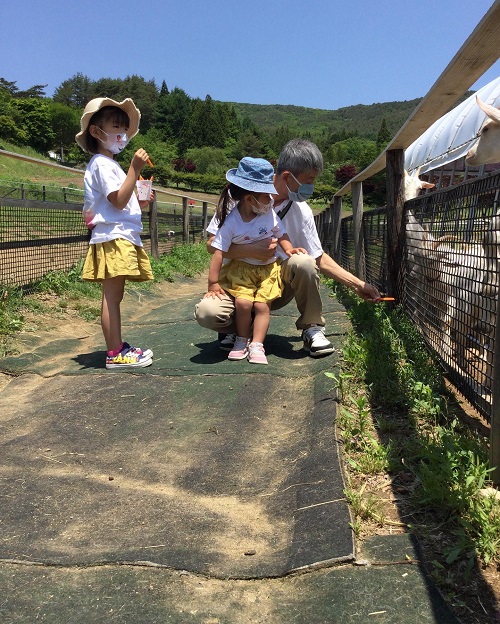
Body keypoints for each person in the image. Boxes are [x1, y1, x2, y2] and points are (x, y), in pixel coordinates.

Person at [195, 139, 381, 356]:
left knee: (304, 261)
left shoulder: (301, 211)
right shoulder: (236, 198)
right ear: (286, 177)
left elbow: (317, 257)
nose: (311, 186)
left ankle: (312, 328)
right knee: (207, 313)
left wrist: (357, 285)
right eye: (309, 180)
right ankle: (237, 328)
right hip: (237, 279)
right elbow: (211, 244)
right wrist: (250, 251)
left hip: (273, 281)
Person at [75, 97, 154, 370]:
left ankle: (117, 346)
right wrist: (134, 168)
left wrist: (141, 201)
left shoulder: (109, 164)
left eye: (124, 128)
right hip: (113, 236)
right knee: (112, 296)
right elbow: (117, 201)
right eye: (116, 127)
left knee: (115, 295)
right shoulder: (101, 164)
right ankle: (114, 353)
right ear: (97, 132)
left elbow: (122, 201)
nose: (122, 134)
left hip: (119, 235)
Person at [205, 157, 307, 365]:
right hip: (241, 271)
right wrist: (213, 282)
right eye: (266, 197)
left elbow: (281, 233)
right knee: (243, 303)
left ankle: (257, 344)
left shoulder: (268, 214)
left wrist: (289, 249)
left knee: (262, 306)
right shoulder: (231, 220)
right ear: (250, 200)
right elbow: (217, 250)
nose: (271, 201)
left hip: (267, 270)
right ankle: (241, 339)